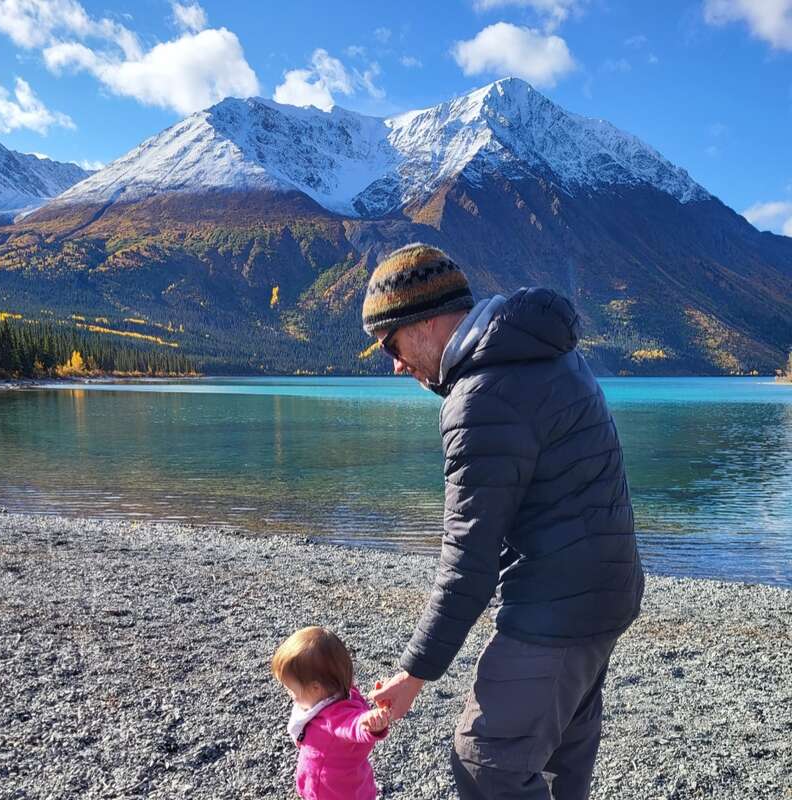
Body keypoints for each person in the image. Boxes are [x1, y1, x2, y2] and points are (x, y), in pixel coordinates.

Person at [364, 243, 644, 799]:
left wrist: (414, 672)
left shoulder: (481, 396)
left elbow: (468, 560)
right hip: (607, 590)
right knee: (561, 756)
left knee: (485, 767)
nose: (394, 363)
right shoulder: (547, 353)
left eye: (389, 343)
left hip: (558, 608)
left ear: (425, 322)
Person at [272, 626, 390, 800]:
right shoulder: (340, 691)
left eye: (291, 689)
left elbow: (354, 724)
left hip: (335, 792)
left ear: (315, 688)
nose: (289, 693)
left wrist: (370, 723)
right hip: (340, 780)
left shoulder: (336, 717)